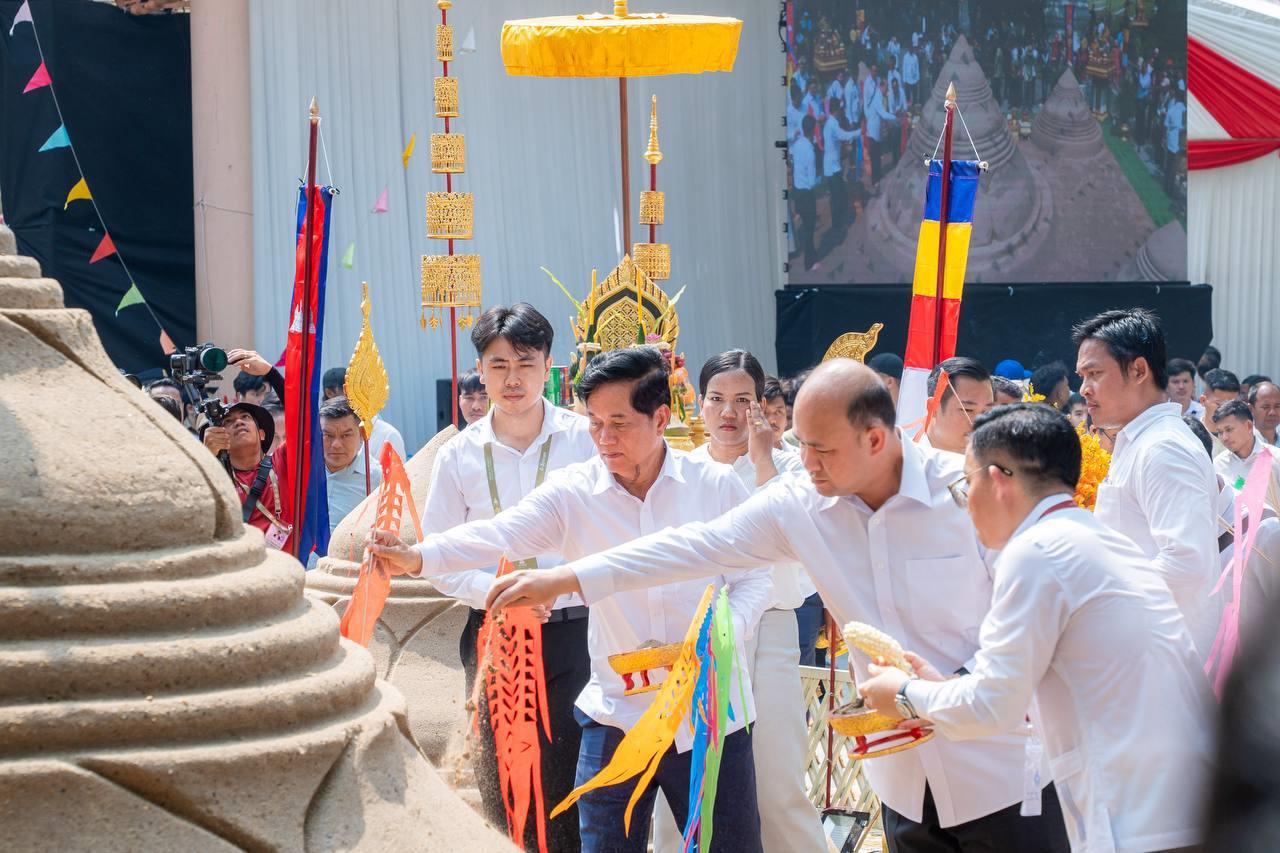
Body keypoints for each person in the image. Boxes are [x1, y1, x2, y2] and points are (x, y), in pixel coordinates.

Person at [487, 360, 1071, 853]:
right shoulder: (800, 503)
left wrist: (941, 690)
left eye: (820, 448)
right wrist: (566, 577)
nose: (805, 461)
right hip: (903, 782)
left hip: (1001, 776)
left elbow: (1030, 621)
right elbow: (692, 546)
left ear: (874, 439)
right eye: (801, 444)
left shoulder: (967, 494)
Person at [370, 346, 771, 853]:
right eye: (595, 423)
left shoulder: (714, 487)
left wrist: (723, 633)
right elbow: (498, 533)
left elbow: (756, 576)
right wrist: (418, 556)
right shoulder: (574, 492)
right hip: (616, 710)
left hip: (708, 712)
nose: (604, 439)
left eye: (619, 424)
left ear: (660, 418)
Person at [857, 404, 1212, 853]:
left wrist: (905, 695)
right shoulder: (1093, 538)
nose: (965, 505)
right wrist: (940, 690)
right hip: (1184, 805)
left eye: (966, 485)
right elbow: (1025, 690)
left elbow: (991, 707)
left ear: (997, 481)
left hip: (1141, 819)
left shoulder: (1036, 552)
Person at [418, 304, 597, 852]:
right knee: (502, 781)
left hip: (578, 631)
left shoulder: (585, 440)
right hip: (495, 634)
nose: (512, 378)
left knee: (574, 779)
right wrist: (497, 595)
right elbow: (440, 554)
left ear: (548, 366)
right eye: (498, 365)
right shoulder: (458, 455)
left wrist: (561, 585)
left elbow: (611, 534)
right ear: (480, 369)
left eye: (525, 363)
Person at [675, 350, 823, 853]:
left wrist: (762, 462)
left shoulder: (790, 469)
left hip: (772, 626)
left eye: (742, 400)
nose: (728, 412)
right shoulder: (681, 470)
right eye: (716, 399)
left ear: (761, 405)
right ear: (699, 404)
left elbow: (796, 541)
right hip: (695, 635)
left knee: (778, 779)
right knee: (687, 776)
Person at [1074, 309, 1218, 653]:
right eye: (1082, 376)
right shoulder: (1139, 440)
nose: (1084, 389)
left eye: (1094, 374)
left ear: (1139, 370)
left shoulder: (1163, 447)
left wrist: (1098, 603)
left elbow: (1186, 563)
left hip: (1160, 657)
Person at [200, 348, 294, 551]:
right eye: (228, 421)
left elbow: (302, 418)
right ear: (220, 436)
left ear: (262, 434)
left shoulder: (283, 461)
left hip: (287, 565)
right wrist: (206, 456)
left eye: (245, 417)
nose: (238, 422)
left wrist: (271, 373)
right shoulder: (215, 476)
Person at [319, 397, 382, 540]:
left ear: (362, 434)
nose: (336, 444)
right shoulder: (304, 471)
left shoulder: (376, 479)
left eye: (346, 435)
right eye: (328, 435)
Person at [322, 365, 405, 458]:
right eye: (347, 391)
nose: (336, 445)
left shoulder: (387, 435)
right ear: (329, 393)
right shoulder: (318, 433)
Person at [922, 356, 995, 454]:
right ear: (933, 407)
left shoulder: (997, 461)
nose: (980, 422)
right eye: (968, 410)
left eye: (987, 412)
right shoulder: (905, 459)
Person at [1212, 400, 1280, 497]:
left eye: (1229, 429)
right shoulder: (1218, 464)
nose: (1224, 437)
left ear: (1248, 426)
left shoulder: (1276, 459)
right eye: (1220, 432)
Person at [823, 99, 860, 231]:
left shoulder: (830, 123)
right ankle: (837, 226)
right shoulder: (832, 125)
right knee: (837, 197)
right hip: (832, 167)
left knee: (838, 195)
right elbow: (844, 135)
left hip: (833, 165)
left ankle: (839, 223)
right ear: (837, 110)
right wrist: (859, 132)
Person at [791, 115, 820, 273]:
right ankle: (809, 263)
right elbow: (811, 181)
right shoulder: (810, 151)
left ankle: (812, 254)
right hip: (807, 194)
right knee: (809, 229)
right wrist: (819, 180)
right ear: (813, 129)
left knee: (806, 227)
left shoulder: (797, 144)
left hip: (797, 190)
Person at [1200, 368, 1243, 457]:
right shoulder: (1192, 435)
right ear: (1203, 401)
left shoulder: (1248, 434)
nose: (1226, 410)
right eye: (1219, 404)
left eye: (1232, 404)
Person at [865, 79, 899, 186]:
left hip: (877, 131)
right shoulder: (877, 98)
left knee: (878, 156)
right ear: (882, 86)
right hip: (873, 132)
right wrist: (894, 118)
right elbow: (883, 114)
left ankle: (878, 176)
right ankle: (875, 180)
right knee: (875, 158)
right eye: (886, 88)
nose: (887, 90)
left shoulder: (880, 97)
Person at [761, 376, 790, 449]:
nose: (772, 420)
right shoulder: (740, 455)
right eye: (764, 412)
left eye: (778, 412)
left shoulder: (799, 455)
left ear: (786, 418)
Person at [1250, 381, 1280, 447]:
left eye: (1277, 406)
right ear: (1251, 409)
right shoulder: (1243, 443)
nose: (1272, 412)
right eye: (1266, 407)